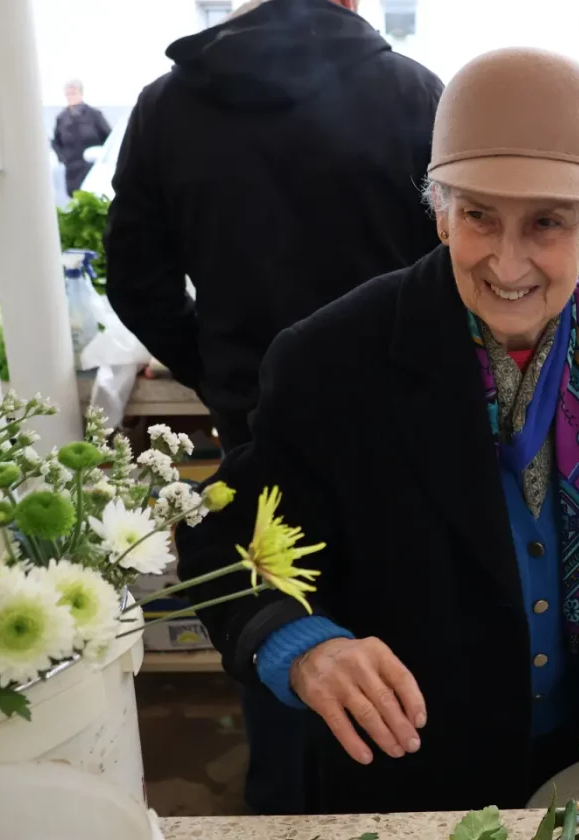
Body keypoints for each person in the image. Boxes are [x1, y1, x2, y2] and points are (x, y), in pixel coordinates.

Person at [174, 47, 579, 815]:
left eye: (546, 222)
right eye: (480, 215)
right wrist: (301, 645)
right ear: (441, 209)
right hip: (417, 763)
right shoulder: (331, 359)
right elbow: (222, 542)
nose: (508, 262)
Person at [104, 0, 444, 815]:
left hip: (255, 417)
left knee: (272, 602)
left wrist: (213, 364)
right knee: (415, 610)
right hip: (407, 425)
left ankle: (285, 814)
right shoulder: (415, 95)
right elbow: (455, 268)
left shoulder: (165, 106)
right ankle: (417, 791)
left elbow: (135, 280)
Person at [51, 80, 112, 194]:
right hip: (72, 168)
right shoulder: (61, 118)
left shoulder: (94, 115)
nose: (70, 97)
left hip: (92, 168)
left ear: (80, 94)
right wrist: (64, 159)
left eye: (73, 93)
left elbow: (109, 138)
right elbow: (56, 142)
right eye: (68, 94)